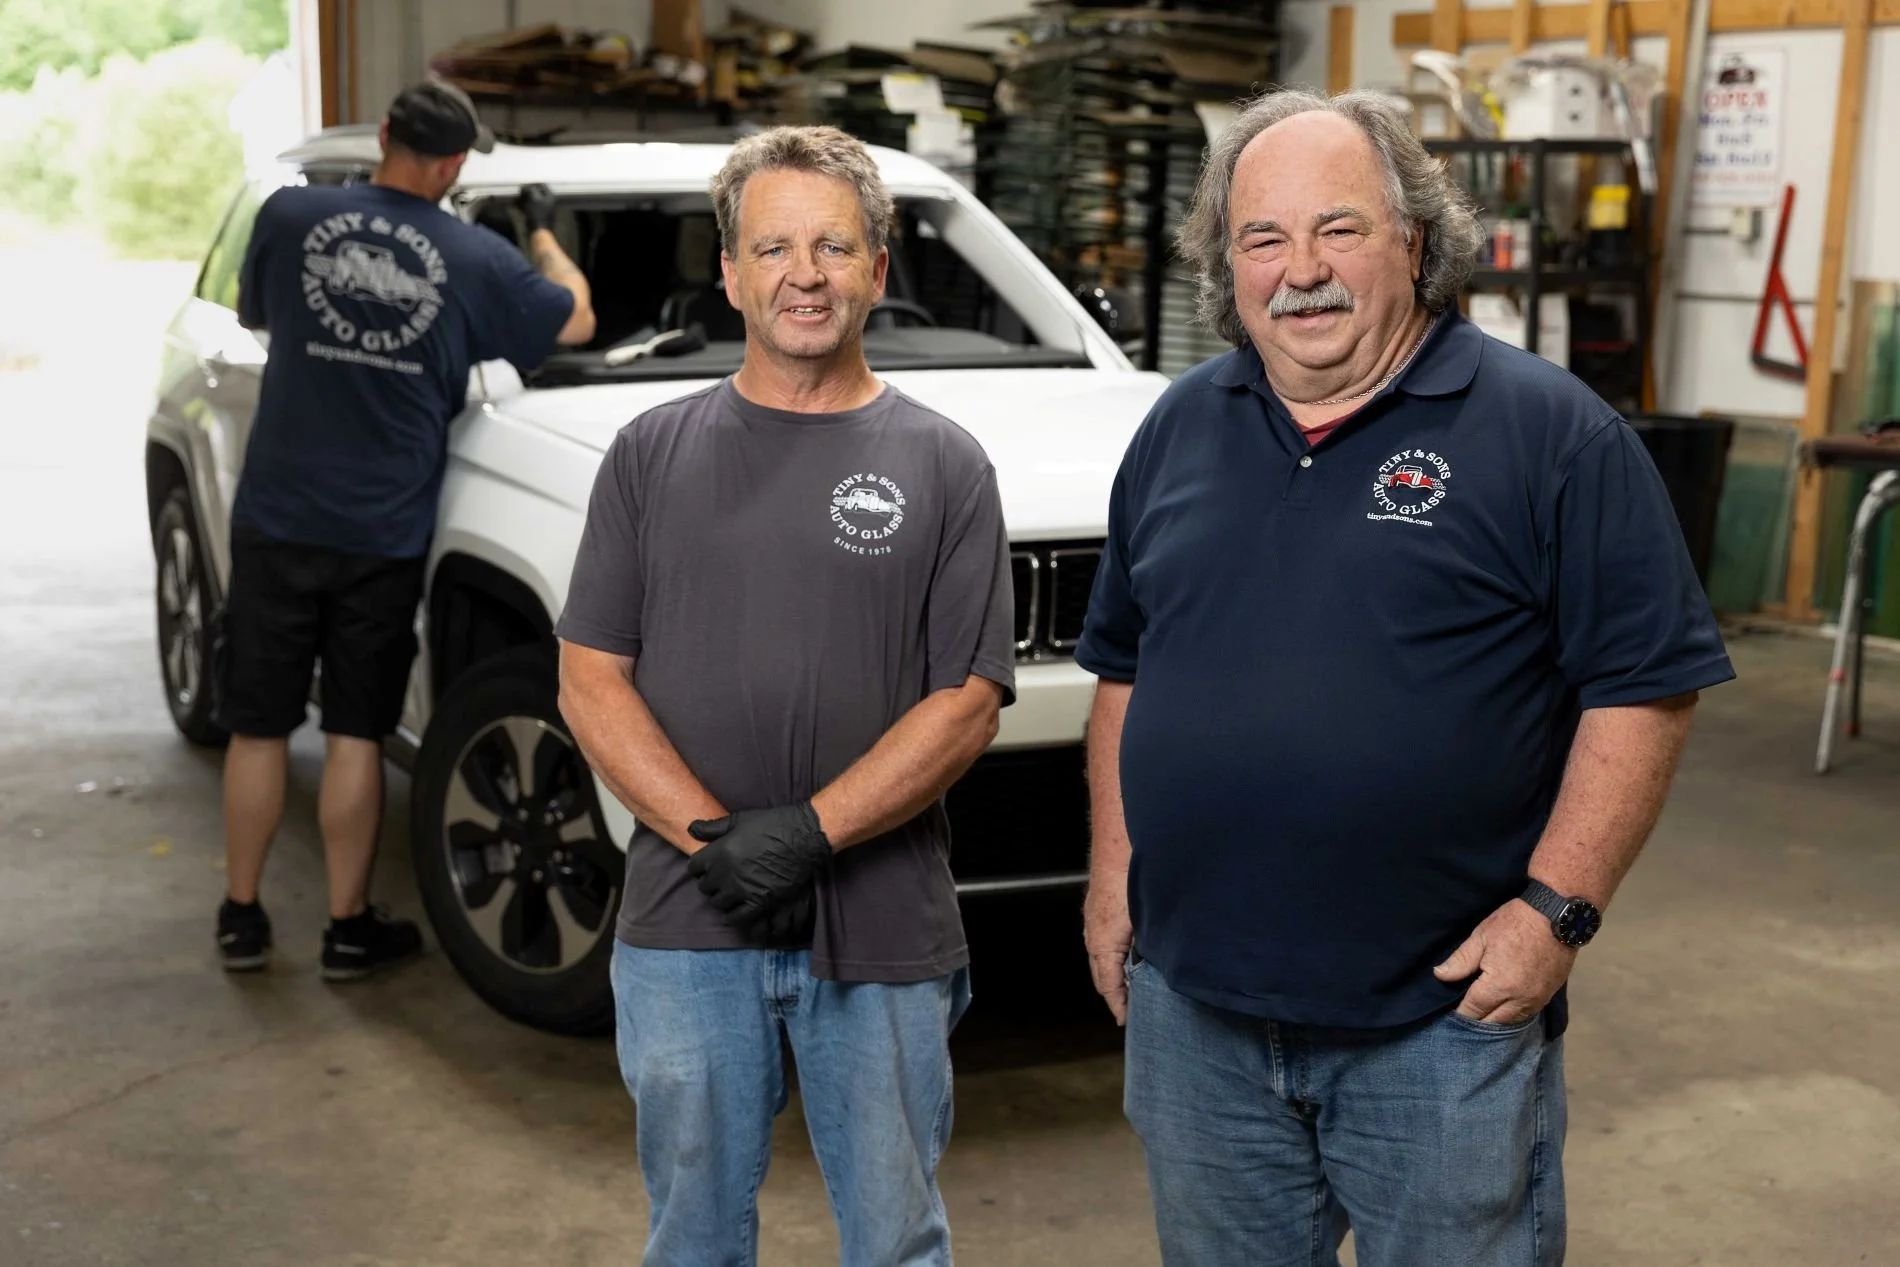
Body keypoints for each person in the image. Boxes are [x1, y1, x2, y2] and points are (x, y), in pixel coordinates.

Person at [1075, 89, 1735, 1267]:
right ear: (1226, 268)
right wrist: (1113, 875)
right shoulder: (1177, 428)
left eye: (1340, 229)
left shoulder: (1551, 435)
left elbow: (1642, 686)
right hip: (1197, 1016)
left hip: (1438, 1023)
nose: (1301, 271)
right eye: (1262, 239)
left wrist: (1556, 913)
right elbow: (1125, 667)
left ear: (1415, 243)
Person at [556, 126, 1013, 1267]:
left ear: (877, 270)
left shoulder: (946, 464)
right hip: (685, 923)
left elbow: (966, 700)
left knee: (897, 1236)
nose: (803, 275)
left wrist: (810, 834)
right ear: (728, 273)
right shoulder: (649, 454)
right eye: (772, 248)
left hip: (884, 924)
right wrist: (718, 840)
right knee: (694, 1233)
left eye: (832, 247)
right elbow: (589, 676)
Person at [215, 79, 597, 979]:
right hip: (381, 533)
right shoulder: (476, 258)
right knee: (355, 731)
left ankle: (240, 918)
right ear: (456, 165)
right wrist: (544, 235)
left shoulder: (289, 215)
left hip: (276, 516)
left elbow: (258, 315)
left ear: (383, 136)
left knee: (258, 727)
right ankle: (348, 929)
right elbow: (574, 318)